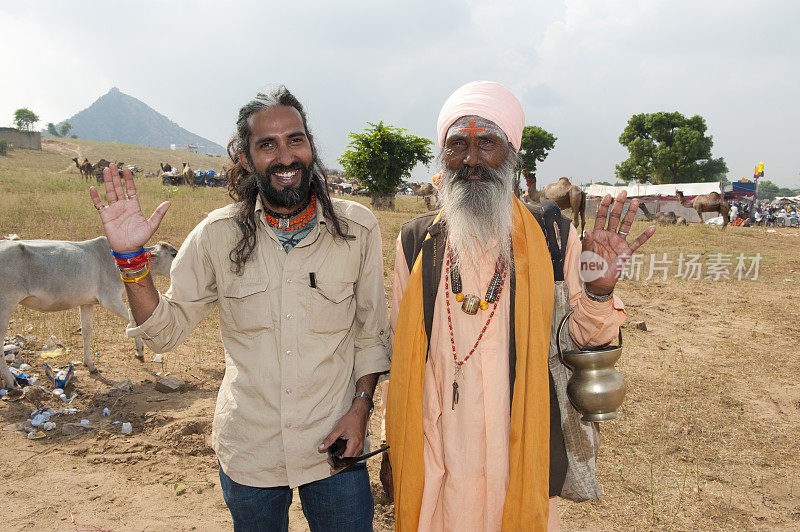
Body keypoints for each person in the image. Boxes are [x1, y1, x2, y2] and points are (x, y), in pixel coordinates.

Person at [89, 86, 390, 531]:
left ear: (311, 147)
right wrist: (132, 262)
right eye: (267, 145)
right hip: (250, 450)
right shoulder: (217, 234)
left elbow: (370, 332)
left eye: (295, 139)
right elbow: (163, 333)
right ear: (247, 159)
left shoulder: (357, 228)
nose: (285, 156)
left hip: (335, 447)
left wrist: (360, 409)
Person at [383, 80, 655, 531]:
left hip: (521, 439)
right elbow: (401, 354)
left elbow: (586, 339)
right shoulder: (415, 242)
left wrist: (599, 292)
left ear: (512, 154)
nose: (471, 159)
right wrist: (394, 441)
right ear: (443, 157)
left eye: (487, 143)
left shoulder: (552, 236)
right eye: (458, 145)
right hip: (438, 446)